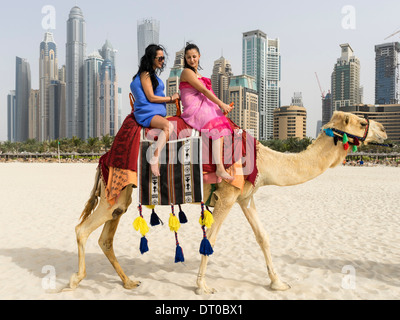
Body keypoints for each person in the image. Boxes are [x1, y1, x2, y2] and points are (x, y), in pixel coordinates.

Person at [179, 43, 234, 181]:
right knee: (215, 127)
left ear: (199, 56)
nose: (192, 60)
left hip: (203, 103)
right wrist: (221, 104)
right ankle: (219, 168)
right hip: (194, 106)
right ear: (185, 59)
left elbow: (206, 92)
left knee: (222, 124)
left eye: (194, 56)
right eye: (188, 57)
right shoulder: (187, 72)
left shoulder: (198, 73)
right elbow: (203, 90)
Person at [131, 44, 180, 176]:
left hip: (154, 112)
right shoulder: (145, 74)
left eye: (163, 58)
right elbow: (151, 97)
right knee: (168, 126)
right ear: (151, 58)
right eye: (159, 58)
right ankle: (154, 158)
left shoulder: (151, 75)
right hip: (147, 112)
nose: (162, 61)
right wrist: (171, 98)